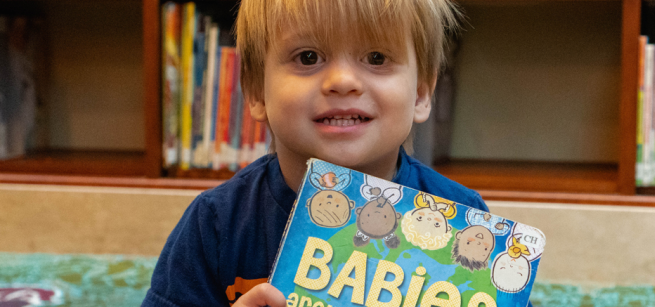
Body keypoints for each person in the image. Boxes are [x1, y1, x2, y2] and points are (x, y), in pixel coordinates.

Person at [141, 0, 497, 306]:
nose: (342, 81)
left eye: (376, 57)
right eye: (308, 57)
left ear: (421, 94)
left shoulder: (464, 220)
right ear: (255, 92)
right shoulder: (216, 224)